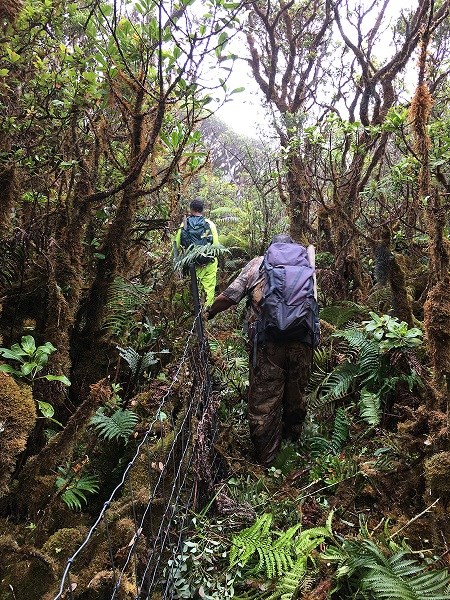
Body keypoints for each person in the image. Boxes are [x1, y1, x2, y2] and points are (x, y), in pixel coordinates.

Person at [206, 234, 315, 467]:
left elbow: (230, 296)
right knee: (296, 396)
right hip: (302, 343)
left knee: (264, 401)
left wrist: (210, 312)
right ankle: (292, 452)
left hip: (269, 344)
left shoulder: (258, 264)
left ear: (271, 247)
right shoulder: (307, 264)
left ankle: (267, 462)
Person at [175, 199, 219, 307]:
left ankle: (193, 314)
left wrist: (176, 263)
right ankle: (207, 315)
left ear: (191, 209)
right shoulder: (210, 224)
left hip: (191, 265)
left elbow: (176, 245)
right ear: (202, 210)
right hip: (208, 264)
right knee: (208, 289)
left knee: (192, 290)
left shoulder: (184, 224)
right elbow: (216, 246)